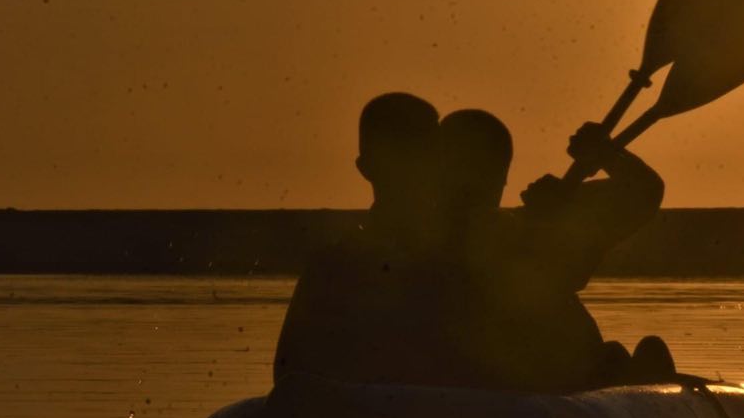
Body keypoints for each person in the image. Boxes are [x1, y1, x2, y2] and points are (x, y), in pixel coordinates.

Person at [435, 109, 669, 393]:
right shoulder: (539, 221)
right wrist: (606, 155)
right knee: (626, 356)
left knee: (634, 354)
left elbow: (644, 191)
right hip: (522, 379)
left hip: (549, 381)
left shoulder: (539, 220)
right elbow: (645, 191)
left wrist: (605, 156)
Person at [271, 92, 447, 389]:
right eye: (402, 155)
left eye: (422, 154)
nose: (413, 170)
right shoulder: (332, 267)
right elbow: (291, 373)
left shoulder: (331, 266)